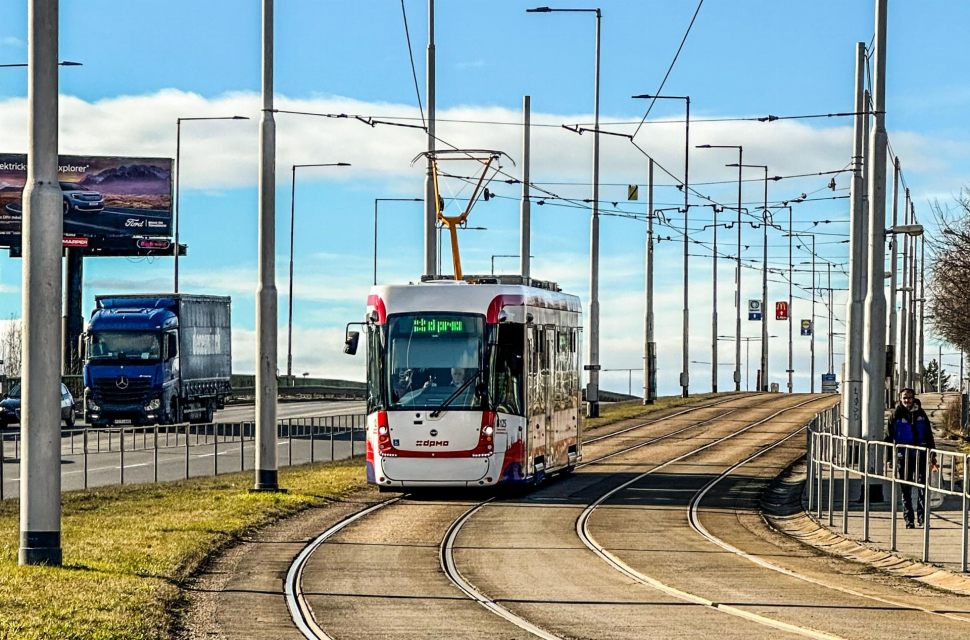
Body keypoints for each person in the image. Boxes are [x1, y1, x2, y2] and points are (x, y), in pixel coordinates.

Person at [885, 388, 937, 528]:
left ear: (914, 398)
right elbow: (889, 438)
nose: (907, 400)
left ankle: (922, 518)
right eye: (904, 398)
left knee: (922, 487)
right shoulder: (895, 415)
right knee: (905, 488)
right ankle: (909, 519)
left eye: (909, 397)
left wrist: (933, 454)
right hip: (904, 455)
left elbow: (928, 434)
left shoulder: (921, 414)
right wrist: (889, 458)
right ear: (900, 399)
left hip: (921, 454)